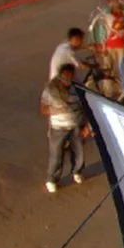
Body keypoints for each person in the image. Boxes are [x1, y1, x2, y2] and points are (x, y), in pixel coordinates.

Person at [41, 63, 85, 191]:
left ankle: (77, 172)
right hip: (58, 127)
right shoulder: (50, 90)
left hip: (76, 124)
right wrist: (56, 110)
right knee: (56, 155)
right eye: (65, 78)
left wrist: (87, 126)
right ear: (60, 76)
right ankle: (51, 179)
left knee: (79, 152)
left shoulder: (77, 87)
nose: (68, 81)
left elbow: (85, 107)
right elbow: (43, 109)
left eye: (70, 77)